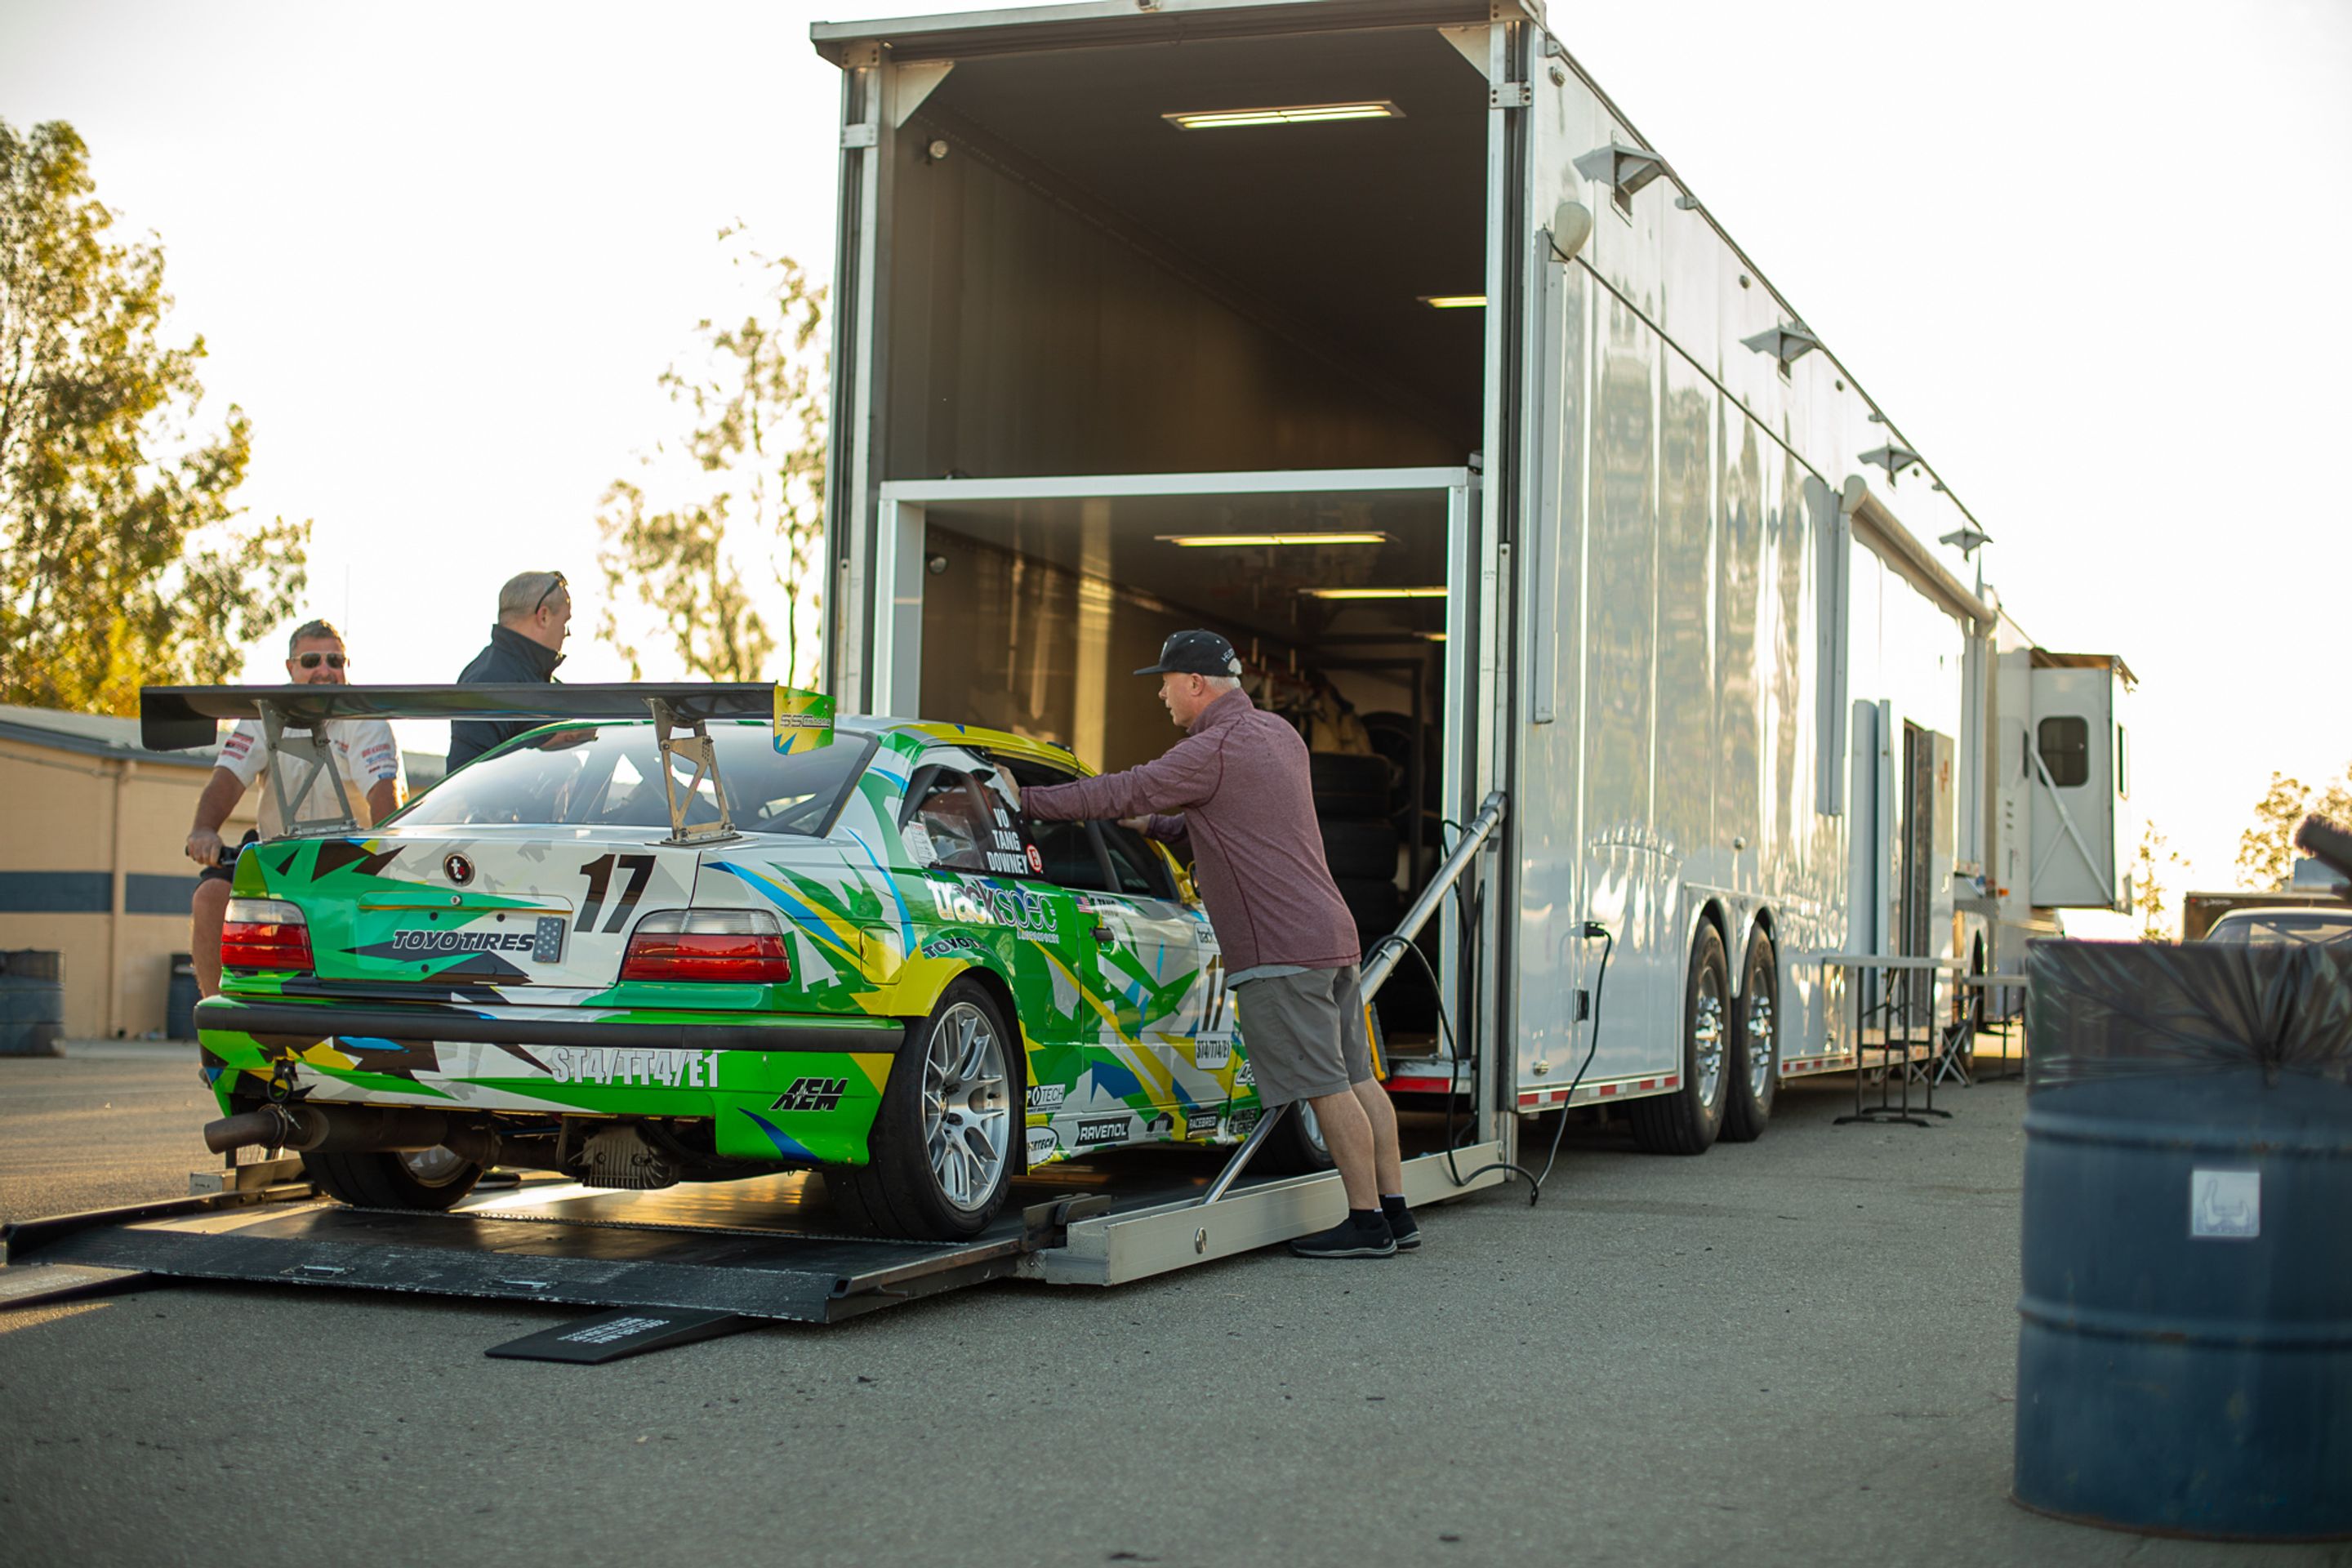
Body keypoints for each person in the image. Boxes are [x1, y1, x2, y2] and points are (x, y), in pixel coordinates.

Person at [1017, 629, 1417, 1259]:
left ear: (1196, 683)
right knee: (1359, 1078)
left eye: (1166, 685)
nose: (1163, 698)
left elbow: (1120, 789)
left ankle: (1365, 1223)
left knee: (1326, 1086)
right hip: (1331, 934)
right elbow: (1239, 815)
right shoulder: (1278, 735)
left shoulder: (1212, 747)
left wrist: (1024, 798)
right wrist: (1159, 824)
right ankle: (1396, 1212)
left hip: (1281, 948)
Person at [184, 621, 406, 996]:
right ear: (290, 667)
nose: (325, 670)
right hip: (277, 855)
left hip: (349, 859)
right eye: (312, 661)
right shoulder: (261, 715)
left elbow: (384, 795)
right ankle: (217, 1020)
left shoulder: (365, 719)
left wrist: (389, 858)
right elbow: (227, 779)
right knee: (209, 898)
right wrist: (204, 829)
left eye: (336, 661)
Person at [445, 569, 571, 771]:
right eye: (565, 622)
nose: (567, 634)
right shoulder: (488, 681)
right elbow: (465, 773)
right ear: (544, 616)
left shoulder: (537, 680)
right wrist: (548, 741)